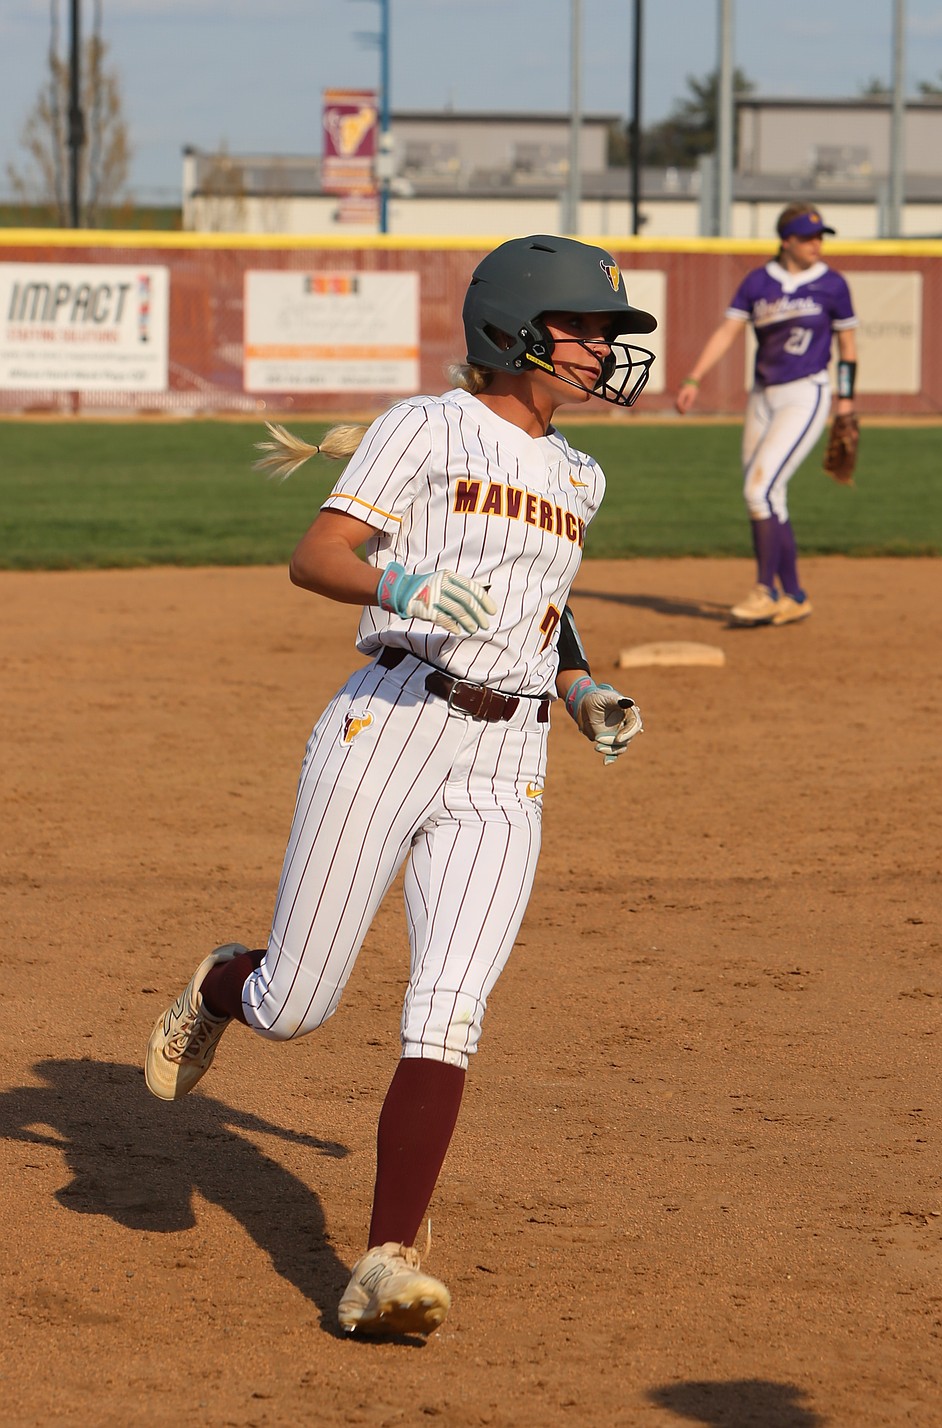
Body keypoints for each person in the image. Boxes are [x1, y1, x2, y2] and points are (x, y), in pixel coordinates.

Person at [143, 234, 656, 1340]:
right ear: (514, 333)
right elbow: (317, 557)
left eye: (611, 335)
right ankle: (228, 984)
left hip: (508, 757)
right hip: (391, 722)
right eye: (588, 329)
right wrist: (408, 581)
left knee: (449, 1012)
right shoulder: (427, 426)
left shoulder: (581, 472)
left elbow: (543, 602)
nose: (606, 351)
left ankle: (385, 1261)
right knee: (298, 1006)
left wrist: (578, 688)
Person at [675, 203, 858, 627]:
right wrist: (694, 378)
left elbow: (848, 348)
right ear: (786, 241)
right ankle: (793, 595)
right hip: (762, 396)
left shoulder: (832, 284)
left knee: (759, 491)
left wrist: (846, 403)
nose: (818, 244)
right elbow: (727, 331)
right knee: (769, 496)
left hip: (807, 392)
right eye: (809, 237)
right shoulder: (758, 282)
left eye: (821, 236)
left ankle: (765, 591)